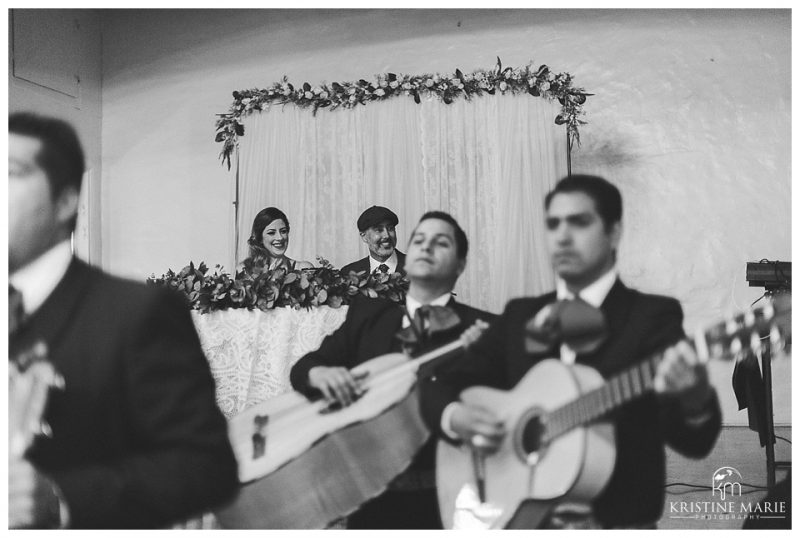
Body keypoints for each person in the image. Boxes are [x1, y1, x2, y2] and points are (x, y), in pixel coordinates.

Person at [421, 174, 722, 529]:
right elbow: (439, 385)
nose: (562, 236)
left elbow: (694, 442)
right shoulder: (521, 315)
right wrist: (457, 417)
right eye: (553, 224)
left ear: (613, 232)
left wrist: (695, 399)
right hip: (513, 519)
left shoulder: (651, 317)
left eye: (579, 222)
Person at [8, 112, 239, 528]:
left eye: (10, 173)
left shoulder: (136, 312)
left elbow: (207, 468)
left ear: (64, 202)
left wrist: (61, 499)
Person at [290, 211, 494, 529]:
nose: (425, 248)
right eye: (419, 241)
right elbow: (305, 366)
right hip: (371, 503)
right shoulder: (367, 316)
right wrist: (319, 374)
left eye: (440, 243)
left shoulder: (485, 330)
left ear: (460, 265)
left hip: (447, 502)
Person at [340, 205, 405, 276]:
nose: (386, 235)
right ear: (364, 236)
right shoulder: (348, 273)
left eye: (390, 228)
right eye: (379, 230)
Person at [243, 206, 312, 273]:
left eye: (283, 231)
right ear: (260, 238)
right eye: (271, 233)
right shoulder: (244, 270)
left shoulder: (303, 269)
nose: (280, 238)